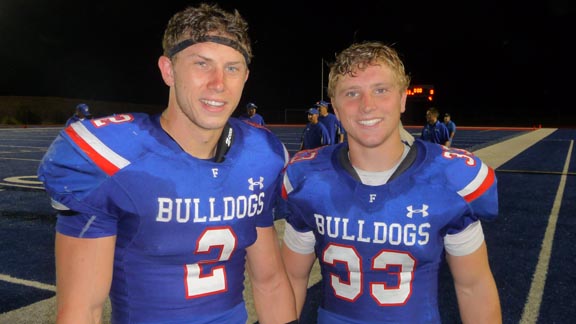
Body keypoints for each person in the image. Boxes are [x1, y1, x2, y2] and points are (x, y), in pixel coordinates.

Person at [37, 4, 297, 324]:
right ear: (168, 70)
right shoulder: (112, 158)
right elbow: (82, 310)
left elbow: (269, 281)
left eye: (232, 68)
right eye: (202, 64)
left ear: (245, 76)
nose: (219, 83)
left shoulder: (259, 155)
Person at [280, 41, 501, 323]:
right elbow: (292, 278)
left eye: (381, 90)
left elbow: (474, 287)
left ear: (402, 99)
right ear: (334, 105)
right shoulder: (309, 177)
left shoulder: (448, 178)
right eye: (351, 93)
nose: (367, 105)